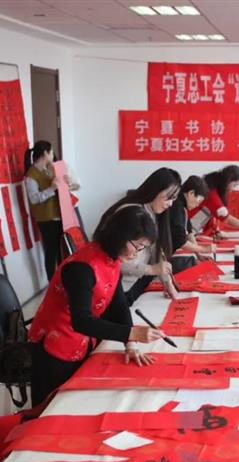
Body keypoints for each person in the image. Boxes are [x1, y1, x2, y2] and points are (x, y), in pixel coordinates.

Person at [28, 205, 164, 406]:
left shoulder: (111, 258)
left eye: (143, 248)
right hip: (55, 348)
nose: (137, 253)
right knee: (53, 408)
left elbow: (118, 303)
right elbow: (81, 321)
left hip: (81, 342)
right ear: (119, 235)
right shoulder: (82, 268)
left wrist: (130, 343)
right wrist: (131, 333)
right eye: (137, 246)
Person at [97, 168, 180, 303]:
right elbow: (115, 260)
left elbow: (156, 251)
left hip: (134, 283)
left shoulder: (151, 212)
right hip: (115, 288)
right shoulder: (132, 214)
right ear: (155, 190)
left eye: (173, 200)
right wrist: (152, 269)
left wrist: (168, 283)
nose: (170, 204)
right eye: (168, 198)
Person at [24, 140, 80, 280]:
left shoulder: (48, 170)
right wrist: (52, 188)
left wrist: (66, 183)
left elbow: (59, 191)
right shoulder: (31, 175)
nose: (53, 155)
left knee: (61, 251)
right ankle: (52, 284)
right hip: (47, 220)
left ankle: (61, 282)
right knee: (51, 253)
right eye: (51, 152)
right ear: (45, 153)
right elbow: (34, 199)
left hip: (59, 216)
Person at [189, 165, 239, 235]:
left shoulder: (212, 185)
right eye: (234, 185)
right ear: (228, 181)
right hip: (191, 227)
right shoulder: (211, 194)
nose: (233, 189)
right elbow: (227, 218)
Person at [170, 174, 216, 264]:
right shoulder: (177, 206)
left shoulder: (182, 206)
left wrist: (199, 254)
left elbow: (189, 232)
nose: (197, 205)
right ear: (191, 193)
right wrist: (204, 249)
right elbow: (180, 242)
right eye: (198, 201)